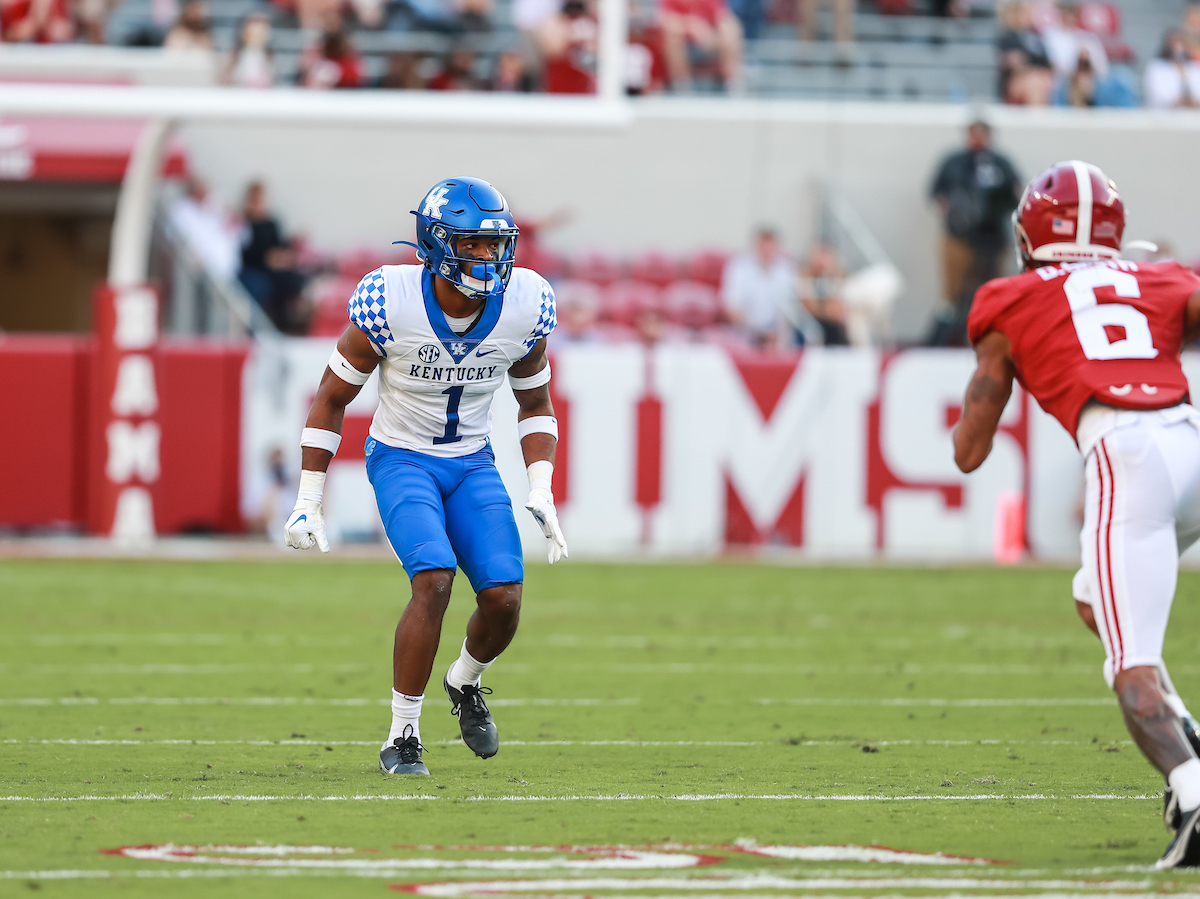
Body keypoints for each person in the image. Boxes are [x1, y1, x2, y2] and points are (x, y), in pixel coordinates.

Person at [952, 160, 1200, 868]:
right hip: (1189, 443)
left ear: (1030, 233)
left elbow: (971, 449)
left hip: (1127, 456)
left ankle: (1194, 790)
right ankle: (1189, 734)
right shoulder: (1161, 277)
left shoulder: (1010, 297)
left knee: (1130, 667)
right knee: (1093, 594)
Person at [283, 177, 568, 777]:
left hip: (472, 462)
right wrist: (310, 497)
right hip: (403, 458)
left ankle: (464, 682)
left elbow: (535, 401)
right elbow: (331, 398)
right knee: (434, 579)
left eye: (497, 245)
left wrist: (540, 482)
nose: (490, 258)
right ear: (437, 244)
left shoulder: (525, 302)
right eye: (475, 245)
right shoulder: (390, 299)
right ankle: (402, 736)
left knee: (503, 599)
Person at [927, 120, 1021, 346]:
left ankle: (991, 340)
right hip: (960, 238)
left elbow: (1015, 193)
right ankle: (952, 339)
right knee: (954, 296)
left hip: (993, 239)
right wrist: (956, 210)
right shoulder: (954, 163)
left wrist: (992, 205)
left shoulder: (1000, 164)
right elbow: (936, 194)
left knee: (993, 294)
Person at [720, 226, 816, 349]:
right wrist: (760, 333)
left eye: (770, 245)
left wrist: (776, 335)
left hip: (779, 337)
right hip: (744, 335)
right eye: (763, 245)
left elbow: (795, 307)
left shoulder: (787, 270)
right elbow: (732, 309)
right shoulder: (739, 268)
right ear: (755, 246)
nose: (767, 250)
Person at [238, 180, 307, 331]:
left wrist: (283, 257)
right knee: (264, 285)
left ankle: (287, 326)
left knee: (292, 279)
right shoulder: (244, 222)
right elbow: (245, 252)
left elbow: (281, 245)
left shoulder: (271, 222)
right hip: (255, 268)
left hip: (275, 267)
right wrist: (268, 258)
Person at [658, 0, 743, 93]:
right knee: (672, 34)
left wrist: (712, 34)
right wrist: (691, 26)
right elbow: (665, 20)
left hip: (709, 38)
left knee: (731, 29)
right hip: (683, 41)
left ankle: (732, 84)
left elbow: (722, 16)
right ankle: (682, 86)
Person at [798, 242, 849, 346]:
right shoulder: (807, 278)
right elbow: (810, 307)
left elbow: (841, 307)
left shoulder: (839, 276)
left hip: (836, 326)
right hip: (815, 323)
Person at [1144, 30, 1200, 110]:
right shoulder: (1156, 67)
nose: (1178, 46)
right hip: (1164, 114)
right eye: (1175, 42)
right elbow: (1156, 93)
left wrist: (1193, 100)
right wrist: (1177, 100)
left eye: (1182, 42)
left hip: (1191, 114)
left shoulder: (1194, 67)